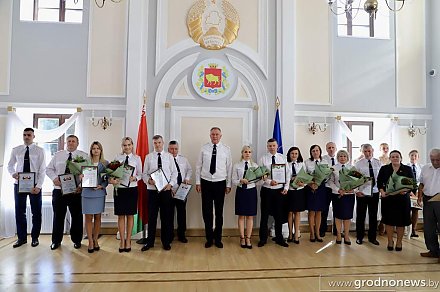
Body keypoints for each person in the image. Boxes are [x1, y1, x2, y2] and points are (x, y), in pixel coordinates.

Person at [46, 134, 88, 250]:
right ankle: (56, 241)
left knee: (77, 217)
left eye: (73, 141)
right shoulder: (58, 155)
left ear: (77, 143)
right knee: (58, 217)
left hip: (76, 191)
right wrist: (55, 179)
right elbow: (48, 169)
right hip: (59, 191)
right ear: (66, 143)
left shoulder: (83, 156)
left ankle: (77, 240)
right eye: (68, 141)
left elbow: (88, 173)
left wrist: (81, 186)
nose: (70, 143)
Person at [7, 128, 46, 248]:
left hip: (35, 186)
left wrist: (39, 186)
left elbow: (42, 170)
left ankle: (35, 238)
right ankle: (22, 238)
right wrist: (13, 173)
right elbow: (10, 165)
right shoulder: (16, 150)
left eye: (29, 135)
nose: (26, 137)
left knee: (36, 213)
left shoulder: (40, 151)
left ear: (33, 136)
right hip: (19, 185)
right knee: (19, 212)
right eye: (24, 135)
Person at [195, 127, 232, 249]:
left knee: (219, 212)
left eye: (217, 134)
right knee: (207, 212)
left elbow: (229, 168)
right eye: (212, 134)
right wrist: (197, 182)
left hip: (220, 183)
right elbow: (198, 166)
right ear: (210, 135)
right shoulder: (204, 148)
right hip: (205, 183)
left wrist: (228, 184)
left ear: (221, 136)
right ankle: (209, 238)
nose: (215, 136)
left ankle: (218, 238)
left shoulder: (226, 150)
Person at [141, 135, 177, 251]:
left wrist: (170, 184)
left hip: (166, 191)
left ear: (163, 143)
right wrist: (149, 181)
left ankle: (165, 242)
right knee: (152, 217)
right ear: (153, 144)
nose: (157, 145)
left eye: (159, 142)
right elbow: (144, 174)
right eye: (155, 143)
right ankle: (150, 242)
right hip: (152, 191)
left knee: (165, 217)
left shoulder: (169, 157)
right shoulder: (148, 157)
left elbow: (174, 173)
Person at [110, 137, 142, 253]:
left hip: (132, 189)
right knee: (120, 215)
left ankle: (128, 240)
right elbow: (112, 173)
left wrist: (135, 178)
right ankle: (122, 240)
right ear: (122, 146)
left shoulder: (137, 158)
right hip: (120, 189)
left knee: (130, 215)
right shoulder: (117, 158)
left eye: (129, 145)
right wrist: (113, 178)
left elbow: (141, 174)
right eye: (124, 145)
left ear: (132, 145)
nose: (127, 147)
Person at [377, 150, 412, 251]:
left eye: (397, 156)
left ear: (401, 158)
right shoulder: (384, 169)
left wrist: (405, 191)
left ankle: (399, 242)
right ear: (390, 158)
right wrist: (382, 191)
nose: (395, 158)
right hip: (388, 199)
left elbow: (411, 185)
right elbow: (379, 182)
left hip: (402, 199)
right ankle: (390, 241)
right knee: (389, 221)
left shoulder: (407, 169)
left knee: (401, 222)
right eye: (393, 157)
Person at [258, 139, 289, 247]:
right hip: (267, 190)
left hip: (279, 190)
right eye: (269, 146)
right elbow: (261, 175)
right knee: (265, 215)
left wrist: (286, 187)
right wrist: (269, 181)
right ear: (267, 147)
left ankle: (279, 238)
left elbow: (287, 174)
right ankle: (263, 239)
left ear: (277, 146)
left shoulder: (283, 158)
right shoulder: (263, 159)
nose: (272, 147)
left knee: (279, 215)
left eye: (273, 145)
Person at [80, 141, 108, 253]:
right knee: (88, 218)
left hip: (99, 193)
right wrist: (80, 177)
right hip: (87, 193)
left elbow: (107, 180)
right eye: (93, 148)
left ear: (101, 150)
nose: (96, 150)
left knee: (97, 217)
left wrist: (102, 185)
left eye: (98, 148)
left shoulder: (105, 164)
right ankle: (90, 241)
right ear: (91, 150)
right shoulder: (85, 163)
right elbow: (80, 179)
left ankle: (96, 240)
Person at [354, 144, 381, 246]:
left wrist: (380, 190)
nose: (367, 153)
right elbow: (354, 179)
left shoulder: (378, 163)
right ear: (362, 152)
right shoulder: (358, 164)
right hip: (362, 193)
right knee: (360, 215)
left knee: (373, 216)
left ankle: (372, 237)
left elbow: (381, 178)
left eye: (369, 151)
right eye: (365, 151)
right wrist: (357, 191)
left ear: (372, 150)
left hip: (374, 192)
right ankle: (359, 237)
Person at [232, 145, 258, 249]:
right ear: (242, 153)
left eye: (249, 152)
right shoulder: (237, 165)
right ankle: (242, 237)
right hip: (241, 191)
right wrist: (240, 181)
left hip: (251, 191)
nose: (247, 154)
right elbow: (233, 180)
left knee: (250, 216)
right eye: (245, 152)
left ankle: (248, 238)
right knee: (241, 216)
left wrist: (262, 178)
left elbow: (258, 181)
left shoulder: (255, 166)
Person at [417, 148, 440, 262]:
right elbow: (421, 183)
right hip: (427, 200)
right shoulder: (425, 168)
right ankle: (433, 250)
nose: (435, 162)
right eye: (433, 160)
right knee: (428, 227)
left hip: (439, 199)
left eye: (438, 160)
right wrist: (419, 195)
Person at [327, 150, 354, 245]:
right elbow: (330, 182)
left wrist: (353, 189)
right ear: (337, 158)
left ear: (347, 158)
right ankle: (338, 234)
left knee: (347, 216)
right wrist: (338, 190)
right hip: (337, 195)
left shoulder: (352, 168)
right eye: (340, 156)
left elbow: (357, 181)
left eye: (344, 156)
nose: (342, 158)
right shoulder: (333, 168)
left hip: (349, 195)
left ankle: (346, 235)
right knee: (338, 215)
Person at [168, 140, 192, 243]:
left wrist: (187, 178)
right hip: (170, 190)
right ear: (168, 149)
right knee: (169, 214)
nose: (174, 151)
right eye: (172, 149)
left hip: (182, 190)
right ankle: (169, 235)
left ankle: (181, 234)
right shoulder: (166, 160)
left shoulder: (184, 160)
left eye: (176, 149)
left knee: (182, 213)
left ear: (178, 149)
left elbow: (189, 170)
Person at [304, 145, 327, 243]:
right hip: (310, 188)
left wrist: (318, 183)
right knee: (312, 212)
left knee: (319, 212)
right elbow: (304, 175)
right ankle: (312, 233)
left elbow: (327, 175)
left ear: (320, 151)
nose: (315, 152)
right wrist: (310, 184)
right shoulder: (307, 162)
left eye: (317, 150)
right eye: (313, 151)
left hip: (321, 188)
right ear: (311, 152)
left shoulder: (324, 162)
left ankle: (318, 233)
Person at [286, 146, 306, 244]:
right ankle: (290, 234)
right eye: (292, 153)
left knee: (297, 213)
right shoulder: (286, 164)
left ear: (298, 155)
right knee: (290, 212)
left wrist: (303, 183)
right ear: (289, 155)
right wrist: (290, 180)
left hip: (299, 191)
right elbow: (283, 177)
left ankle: (296, 234)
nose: (294, 155)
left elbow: (306, 177)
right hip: (289, 191)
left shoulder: (302, 164)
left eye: (296, 154)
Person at [321, 142, 337, 237]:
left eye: (333, 147)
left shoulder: (339, 159)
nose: (331, 149)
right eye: (329, 148)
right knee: (324, 210)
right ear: (326, 149)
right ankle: (322, 229)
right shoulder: (323, 160)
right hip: (326, 188)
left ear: (335, 148)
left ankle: (336, 230)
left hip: (337, 189)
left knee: (337, 210)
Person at [407, 149, 422, 238]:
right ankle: (407, 230)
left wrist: (418, 192)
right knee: (407, 211)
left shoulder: (421, 167)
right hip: (408, 191)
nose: (414, 157)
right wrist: (410, 192)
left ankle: (413, 230)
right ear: (409, 157)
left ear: (418, 157)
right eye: (412, 155)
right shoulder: (406, 167)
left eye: (415, 155)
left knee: (415, 211)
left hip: (417, 191)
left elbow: (422, 180)